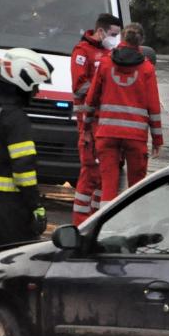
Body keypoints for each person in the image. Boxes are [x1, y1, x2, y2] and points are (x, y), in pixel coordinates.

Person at [0, 48, 53, 260]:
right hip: (8, 207)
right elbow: (24, 170)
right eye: (35, 86)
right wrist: (35, 205)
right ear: (22, 82)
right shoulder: (15, 118)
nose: (36, 92)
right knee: (14, 265)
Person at [84, 24, 162, 209]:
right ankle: (132, 220)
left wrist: (86, 127)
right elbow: (153, 107)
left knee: (108, 185)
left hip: (107, 133)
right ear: (140, 42)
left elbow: (91, 98)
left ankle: (105, 221)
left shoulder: (106, 63)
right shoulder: (147, 68)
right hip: (135, 136)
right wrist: (157, 139)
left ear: (122, 38)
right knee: (136, 186)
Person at [70, 13, 122, 225]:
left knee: (104, 176)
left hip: (106, 124)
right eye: (113, 35)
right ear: (100, 31)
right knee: (90, 173)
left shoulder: (111, 53)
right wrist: (102, 88)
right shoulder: (82, 52)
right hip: (89, 124)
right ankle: (80, 223)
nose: (115, 39)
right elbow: (79, 86)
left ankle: (95, 221)